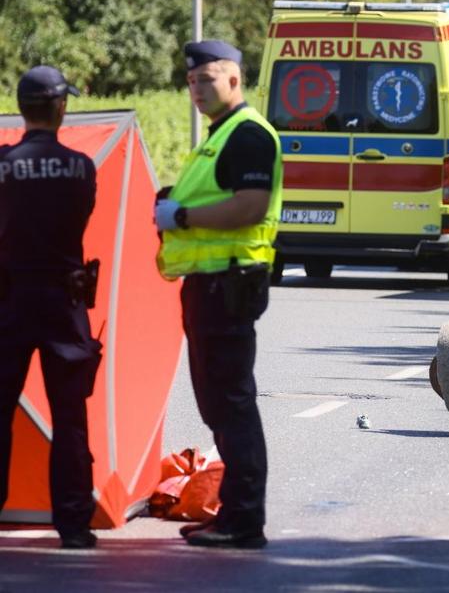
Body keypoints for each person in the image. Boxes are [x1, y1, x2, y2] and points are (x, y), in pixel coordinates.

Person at [155, 40, 283, 550]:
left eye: (206, 79)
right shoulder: (220, 136)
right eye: (190, 82)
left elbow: (249, 206)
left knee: (231, 405)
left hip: (228, 283)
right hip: (210, 284)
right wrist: (175, 201)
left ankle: (244, 521)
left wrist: (181, 216)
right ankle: (232, 513)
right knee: (219, 405)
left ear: (233, 78)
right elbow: (216, 195)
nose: (196, 90)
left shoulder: (247, 134)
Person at [0, 66, 101, 549]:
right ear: (61, 108)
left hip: (7, 299)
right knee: (70, 417)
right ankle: (75, 525)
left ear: (22, 109)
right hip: (65, 300)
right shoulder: (83, 167)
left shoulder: (2, 165)